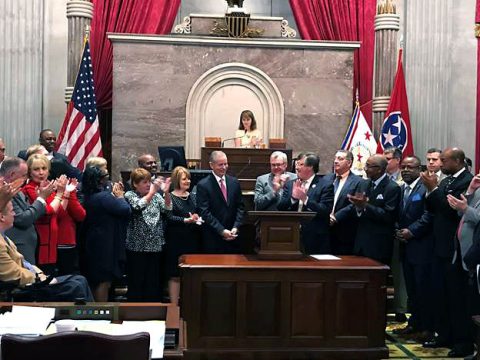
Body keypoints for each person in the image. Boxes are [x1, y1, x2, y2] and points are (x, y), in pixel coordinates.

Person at [420, 147, 473, 352]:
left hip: (454, 247)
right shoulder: (446, 180)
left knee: (456, 297)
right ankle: (444, 335)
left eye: (444, 160)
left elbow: (451, 212)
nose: (440, 164)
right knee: (440, 295)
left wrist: (434, 190)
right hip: (439, 245)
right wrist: (432, 191)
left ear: (458, 161)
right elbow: (433, 207)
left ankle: (462, 342)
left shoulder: (466, 181)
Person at [0, 200, 93, 302]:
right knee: (76, 286)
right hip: (21, 289)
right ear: (2, 217)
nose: (14, 214)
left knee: (80, 279)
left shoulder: (4, 237)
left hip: (32, 280)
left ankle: (94, 317)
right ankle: (88, 317)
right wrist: (40, 279)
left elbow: (25, 263)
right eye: (12, 211)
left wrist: (41, 275)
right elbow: (14, 274)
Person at [393, 156, 434, 341]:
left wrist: (412, 231)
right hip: (405, 246)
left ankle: (426, 328)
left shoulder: (425, 187)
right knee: (411, 290)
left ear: (419, 169)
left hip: (422, 246)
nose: (406, 170)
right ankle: (414, 324)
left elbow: (429, 215)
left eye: (411, 167)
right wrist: (398, 230)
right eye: (404, 167)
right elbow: (398, 214)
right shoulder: (402, 188)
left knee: (423, 290)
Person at [82, 165, 131, 302]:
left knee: (95, 279)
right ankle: (101, 311)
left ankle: (94, 310)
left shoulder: (89, 196)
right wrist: (120, 196)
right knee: (104, 280)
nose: (109, 181)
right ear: (100, 180)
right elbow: (125, 209)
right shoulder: (103, 197)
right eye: (107, 178)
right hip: (105, 244)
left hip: (94, 241)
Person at [124, 168, 172, 302]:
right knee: (137, 280)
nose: (148, 185)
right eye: (144, 182)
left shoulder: (156, 196)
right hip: (137, 246)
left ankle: (153, 310)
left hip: (155, 245)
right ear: (135, 184)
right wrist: (152, 192)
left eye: (149, 182)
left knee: (153, 281)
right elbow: (138, 207)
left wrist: (166, 192)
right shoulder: (130, 195)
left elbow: (168, 210)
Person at [22, 154, 74, 273]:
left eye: (44, 168)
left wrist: (63, 192)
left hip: (52, 241)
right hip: (39, 241)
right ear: (29, 172)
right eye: (36, 169)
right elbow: (47, 212)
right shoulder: (29, 189)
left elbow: (59, 213)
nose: (41, 172)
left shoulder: (48, 187)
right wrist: (59, 194)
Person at [347, 154, 401, 265]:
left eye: (368, 166)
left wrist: (365, 205)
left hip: (379, 244)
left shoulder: (392, 188)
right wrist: (358, 207)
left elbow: (388, 216)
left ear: (379, 169)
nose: (365, 169)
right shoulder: (363, 183)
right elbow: (357, 210)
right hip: (360, 242)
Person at [0, 157, 54, 264]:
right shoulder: (4, 191)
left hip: (25, 245)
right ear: (12, 175)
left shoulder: (15, 188)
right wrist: (41, 198)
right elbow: (22, 219)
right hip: (18, 245)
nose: (26, 178)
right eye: (24, 175)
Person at [278, 152, 333, 254]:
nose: (297, 168)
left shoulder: (325, 185)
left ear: (311, 167)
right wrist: (293, 199)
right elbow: (281, 207)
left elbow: (325, 210)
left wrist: (305, 199)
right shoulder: (290, 184)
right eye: (297, 164)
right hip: (291, 236)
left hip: (315, 238)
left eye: (301, 164)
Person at [165, 166, 202, 305]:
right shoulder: (170, 196)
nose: (188, 181)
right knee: (175, 274)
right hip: (176, 240)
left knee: (190, 274)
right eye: (184, 178)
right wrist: (186, 220)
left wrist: (197, 218)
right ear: (176, 180)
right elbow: (168, 217)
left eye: (189, 178)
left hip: (192, 239)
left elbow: (198, 213)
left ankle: (188, 305)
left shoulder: (193, 196)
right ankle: (174, 306)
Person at [196, 151, 245, 253]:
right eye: (220, 164)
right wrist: (221, 230)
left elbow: (240, 207)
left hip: (233, 235)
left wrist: (236, 226)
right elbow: (204, 212)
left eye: (226, 164)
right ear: (211, 165)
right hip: (213, 237)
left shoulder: (234, 182)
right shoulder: (203, 185)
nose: (224, 167)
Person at [325, 150, 364, 255]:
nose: (336, 161)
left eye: (340, 159)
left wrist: (335, 217)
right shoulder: (327, 178)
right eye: (335, 158)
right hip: (325, 228)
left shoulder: (358, 181)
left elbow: (354, 203)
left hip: (344, 230)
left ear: (349, 163)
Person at [18, 129, 82, 180]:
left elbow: (73, 174)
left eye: (54, 139)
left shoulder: (61, 159)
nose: (52, 141)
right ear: (40, 140)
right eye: (49, 139)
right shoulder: (25, 154)